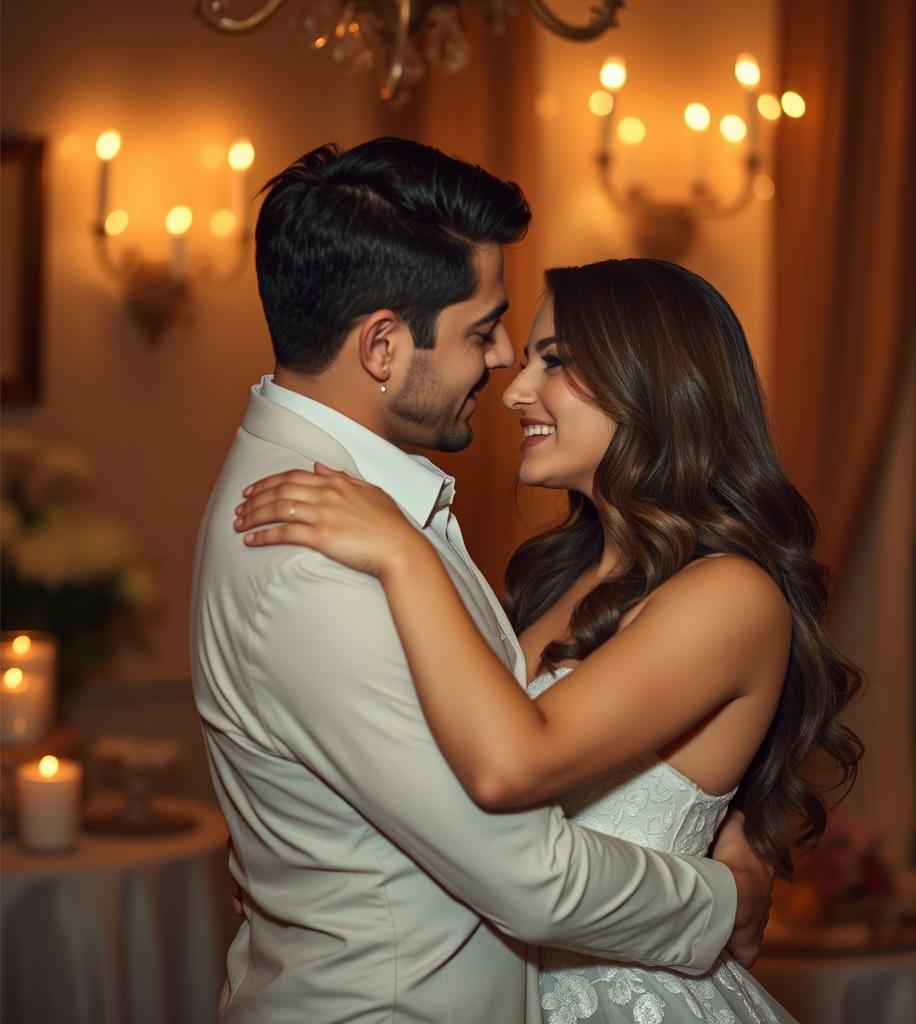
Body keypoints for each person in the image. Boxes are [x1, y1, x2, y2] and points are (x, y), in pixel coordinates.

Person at [191, 140, 774, 1024]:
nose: (506, 372)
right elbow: (522, 863)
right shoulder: (327, 548)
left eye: (551, 357)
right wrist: (724, 899)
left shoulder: (364, 511)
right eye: (487, 332)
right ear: (383, 346)